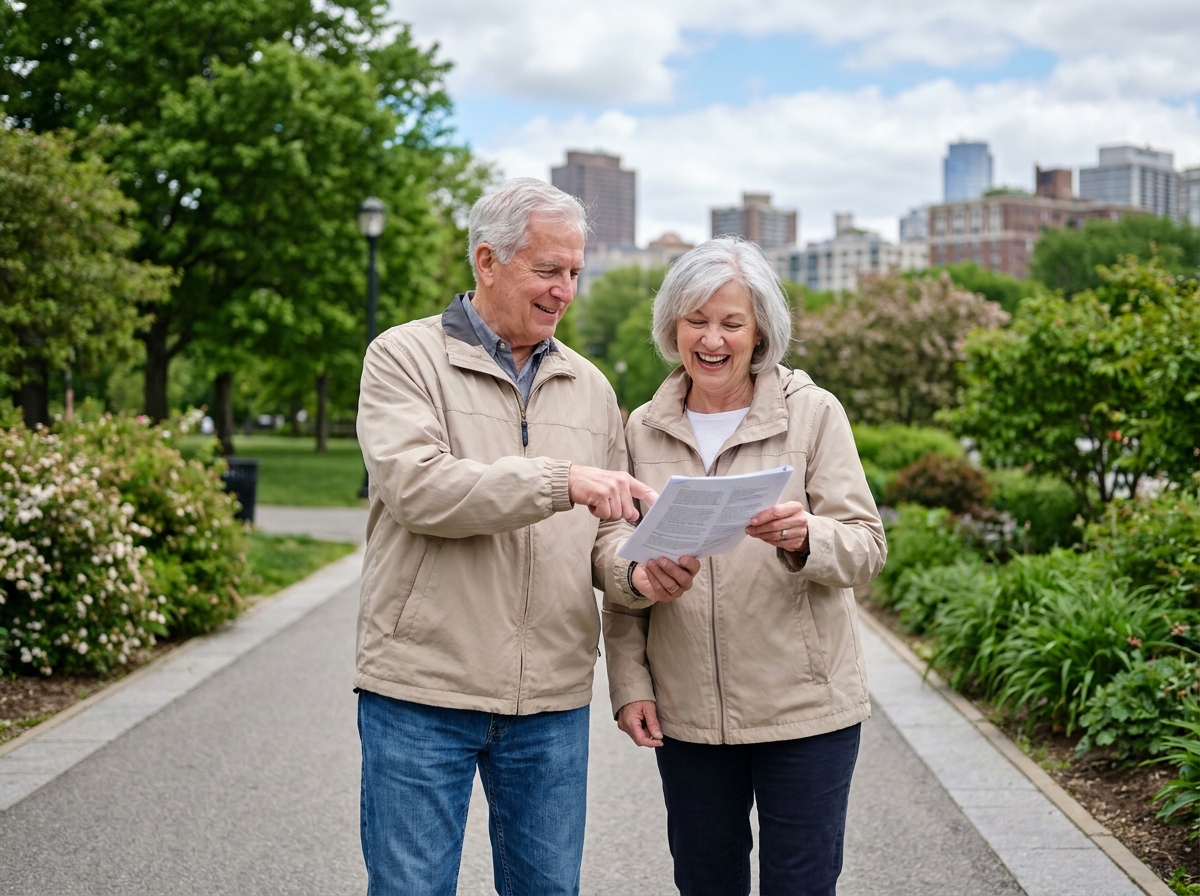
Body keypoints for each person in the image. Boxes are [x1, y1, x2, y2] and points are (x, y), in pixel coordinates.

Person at [354, 178, 699, 896]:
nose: (564, 290)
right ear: (488, 261)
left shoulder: (591, 387)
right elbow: (418, 488)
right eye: (548, 270)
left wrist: (638, 575)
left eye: (575, 271)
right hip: (423, 691)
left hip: (549, 702)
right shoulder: (403, 358)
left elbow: (606, 536)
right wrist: (559, 481)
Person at [602, 237, 887, 896]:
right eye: (696, 320)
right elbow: (620, 566)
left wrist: (805, 537)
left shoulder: (812, 413)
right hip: (689, 716)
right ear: (672, 326)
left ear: (760, 331)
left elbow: (866, 545)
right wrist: (629, 685)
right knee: (705, 883)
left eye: (731, 323)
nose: (712, 339)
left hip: (806, 713)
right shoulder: (641, 429)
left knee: (801, 886)